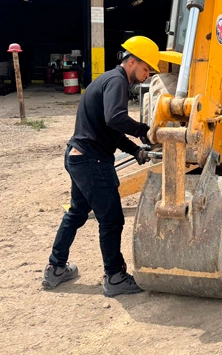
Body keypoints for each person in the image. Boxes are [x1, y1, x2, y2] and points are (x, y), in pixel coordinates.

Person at [42, 36, 160, 297]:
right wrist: (144, 130)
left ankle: (56, 267)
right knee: (112, 220)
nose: (147, 75)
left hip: (77, 156)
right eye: (146, 69)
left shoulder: (107, 79)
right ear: (132, 61)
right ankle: (115, 277)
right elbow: (115, 118)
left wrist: (135, 150)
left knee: (76, 213)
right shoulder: (117, 81)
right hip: (92, 162)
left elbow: (110, 129)